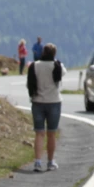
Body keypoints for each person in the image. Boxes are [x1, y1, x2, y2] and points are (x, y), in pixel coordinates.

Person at [27, 43, 66, 172]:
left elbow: (30, 84)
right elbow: (62, 74)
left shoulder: (35, 65)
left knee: (39, 133)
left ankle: (37, 162)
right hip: (54, 101)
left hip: (37, 101)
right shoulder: (57, 65)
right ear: (54, 54)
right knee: (51, 133)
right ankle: (50, 162)